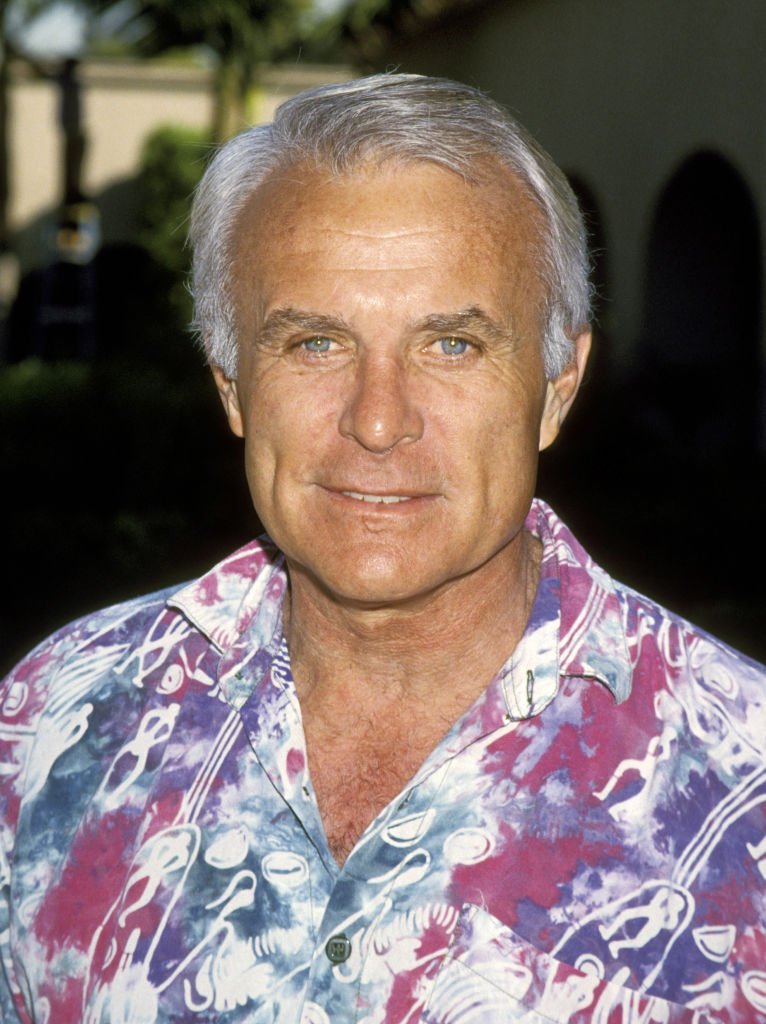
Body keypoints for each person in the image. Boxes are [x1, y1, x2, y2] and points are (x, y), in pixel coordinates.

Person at [0, 73, 764, 1024]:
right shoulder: (49, 724)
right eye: (316, 343)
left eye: (451, 345)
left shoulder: (745, 783)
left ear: (559, 387)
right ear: (233, 384)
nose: (376, 421)